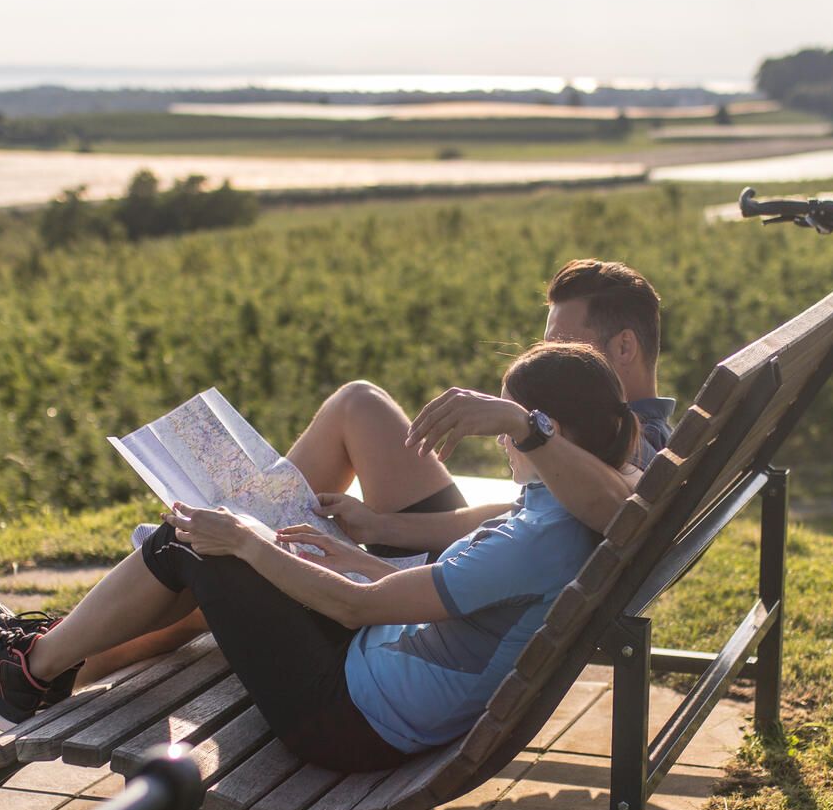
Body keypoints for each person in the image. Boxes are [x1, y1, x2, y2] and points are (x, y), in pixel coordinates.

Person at [0, 342, 640, 770]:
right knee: (225, 535)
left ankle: (29, 672)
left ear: (552, 432)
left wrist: (249, 541)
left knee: (196, 541)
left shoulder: (541, 536)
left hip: (348, 720)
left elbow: (357, 608)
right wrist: (351, 552)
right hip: (379, 670)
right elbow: (411, 593)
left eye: (506, 429)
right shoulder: (567, 511)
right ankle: (39, 657)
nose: (499, 442)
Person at [87, 258, 671, 669]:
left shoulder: (630, 442)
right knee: (357, 406)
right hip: (486, 567)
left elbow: (610, 513)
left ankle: (73, 656)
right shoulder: (614, 436)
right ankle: (94, 631)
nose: (549, 359)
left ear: (624, 347)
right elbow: (528, 507)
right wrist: (385, 526)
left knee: (234, 551)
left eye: (562, 344)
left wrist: (523, 423)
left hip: (473, 588)